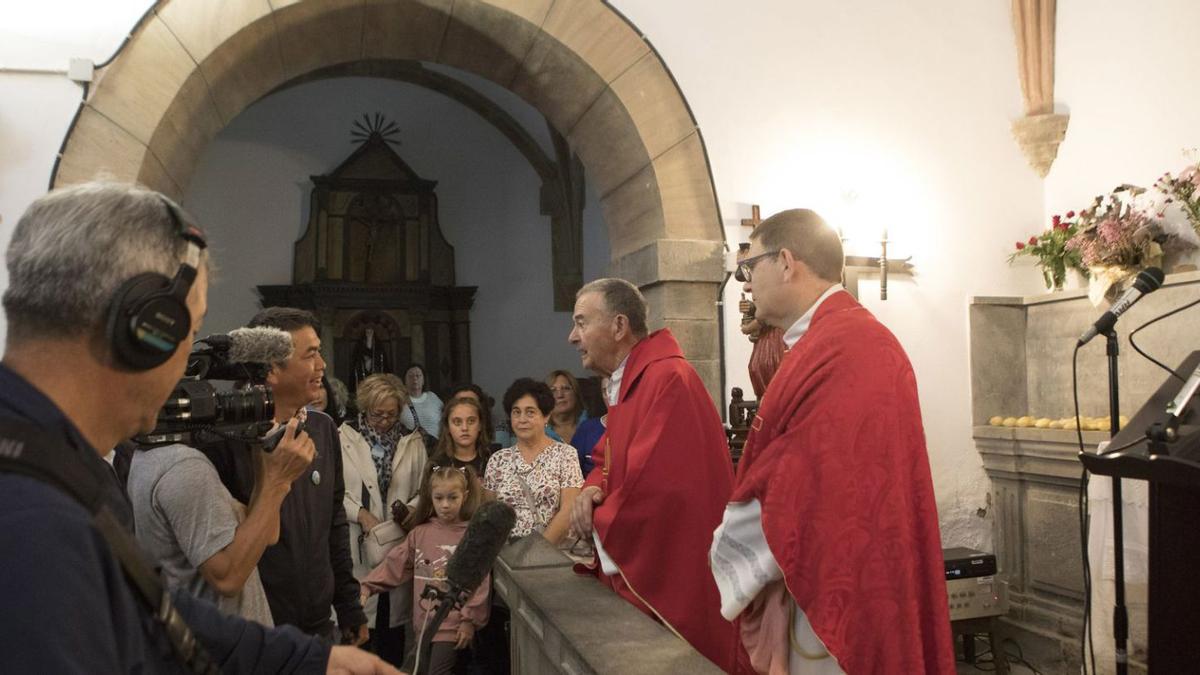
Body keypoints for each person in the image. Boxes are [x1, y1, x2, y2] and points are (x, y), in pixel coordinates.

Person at [0, 182, 395, 673]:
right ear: (144, 331)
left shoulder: (56, 461)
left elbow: (148, 610)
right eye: (188, 333)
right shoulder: (31, 521)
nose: (190, 363)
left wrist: (312, 660)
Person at [711, 209, 954, 674]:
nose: (744, 284)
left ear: (785, 261)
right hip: (836, 566)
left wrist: (725, 543)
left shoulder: (847, 346)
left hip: (842, 578)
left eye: (749, 268)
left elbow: (802, 478)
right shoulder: (834, 340)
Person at [566, 277, 736, 671]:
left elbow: (658, 490)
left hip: (672, 573)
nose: (572, 336)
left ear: (619, 326)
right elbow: (607, 460)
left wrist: (598, 516)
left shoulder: (666, 380)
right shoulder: (630, 382)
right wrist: (591, 491)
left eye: (581, 322)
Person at [202, 307, 368, 645]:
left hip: (319, 626)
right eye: (310, 355)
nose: (322, 364)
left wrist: (348, 606)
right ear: (272, 370)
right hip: (256, 631)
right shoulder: (221, 439)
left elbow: (333, 521)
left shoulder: (322, 429)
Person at [126, 415, 313, 625]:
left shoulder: (150, 455)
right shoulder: (183, 466)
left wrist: (261, 455)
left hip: (235, 644)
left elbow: (268, 533)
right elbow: (227, 578)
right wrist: (278, 482)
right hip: (224, 651)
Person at [362, 466, 490, 675]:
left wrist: (469, 620)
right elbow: (395, 564)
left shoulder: (471, 536)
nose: (445, 505)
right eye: (439, 498)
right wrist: (366, 587)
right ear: (430, 498)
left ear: (464, 496)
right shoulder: (420, 534)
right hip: (422, 626)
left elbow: (480, 582)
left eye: (452, 498)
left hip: (452, 627)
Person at [339, 373, 427, 665]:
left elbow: (424, 488)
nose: (385, 422)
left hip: (398, 543)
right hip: (359, 543)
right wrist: (360, 514)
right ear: (365, 408)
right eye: (378, 415)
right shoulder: (344, 436)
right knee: (360, 627)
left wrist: (412, 509)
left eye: (391, 414)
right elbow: (332, 490)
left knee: (392, 631)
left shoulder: (411, 440)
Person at [484, 379, 582, 545]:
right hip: (506, 558)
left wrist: (537, 551)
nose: (522, 419)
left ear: (546, 416)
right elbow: (488, 515)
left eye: (530, 412)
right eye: (516, 412)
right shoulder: (498, 460)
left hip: (550, 555)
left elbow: (569, 509)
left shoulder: (565, 455)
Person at [429, 396, 491, 478]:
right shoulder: (436, 466)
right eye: (457, 422)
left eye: (471, 421)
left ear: (480, 425)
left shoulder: (492, 461)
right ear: (447, 427)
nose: (464, 428)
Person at [398, 364, 442, 446]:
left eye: (418, 375)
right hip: (410, 449)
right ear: (404, 380)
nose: (415, 378)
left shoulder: (433, 397)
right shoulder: (400, 400)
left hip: (435, 449)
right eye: (410, 376)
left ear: (424, 380)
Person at [544, 369, 587, 444]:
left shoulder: (592, 423)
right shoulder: (537, 432)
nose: (560, 395)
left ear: (576, 393)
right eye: (553, 390)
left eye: (566, 388)